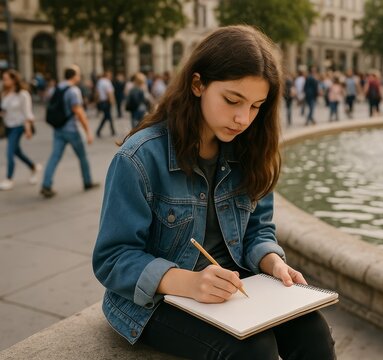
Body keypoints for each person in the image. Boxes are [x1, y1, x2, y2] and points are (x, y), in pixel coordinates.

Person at [92, 25, 335, 360]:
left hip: (235, 290)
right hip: (156, 301)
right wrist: (189, 283)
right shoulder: (139, 158)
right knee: (254, 351)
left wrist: (271, 261)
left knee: (313, 330)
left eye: (256, 106)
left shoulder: (250, 149)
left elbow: (259, 229)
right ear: (197, 84)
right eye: (232, 100)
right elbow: (112, 259)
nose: (242, 118)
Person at [40, 65, 99, 198]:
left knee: (54, 157)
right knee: (82, 156)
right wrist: (88, 131)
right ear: (74, 76)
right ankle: (87, 181)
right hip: (72, 129)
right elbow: (78, 111)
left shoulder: (57, 87)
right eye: (78, 74)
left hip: (58, 128)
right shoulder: (73, 91)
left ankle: (46, 184)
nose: (79, 76)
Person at [0, 69, 41, 190]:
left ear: (14, 80)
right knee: (17, 152)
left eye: (6, 78)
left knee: (10, 152)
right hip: (8, 125)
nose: (4, 81)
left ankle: (9, 178)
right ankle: (34, 167)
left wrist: (27, 129)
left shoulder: (23, 94)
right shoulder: (4, 93)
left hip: (18, 126)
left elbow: (27, 113)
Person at [95, 70, 115, 137]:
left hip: (102, 101)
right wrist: (112, 101)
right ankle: (99, 131)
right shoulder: (107, 82)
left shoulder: (100, 82)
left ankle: (112, 130)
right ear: (108, 76)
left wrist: (97, 100)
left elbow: (97, 92)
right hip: (107, 101)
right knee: (107, 116)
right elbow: (109, 92)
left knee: (107, 116)